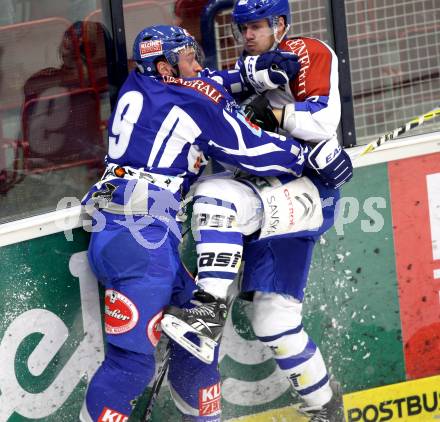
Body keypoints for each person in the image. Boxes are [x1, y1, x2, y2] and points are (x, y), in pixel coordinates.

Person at [79, 24, 311, 422]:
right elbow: (255, 151)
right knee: (130, 368)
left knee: (197, 335)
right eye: (186, 57)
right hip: (141, 239)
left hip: (127, 227)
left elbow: (206, 82)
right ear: (166, 65)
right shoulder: (189, 99)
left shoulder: (139, 82)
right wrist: (307, 154)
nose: (195, 64)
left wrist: (247, 75)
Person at [162, 1, 353, 421]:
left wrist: (279, 113)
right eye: (241, 28)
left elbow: (323, 120)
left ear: (280, 24)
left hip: (306, 193)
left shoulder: (307, 52)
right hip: (269, 198)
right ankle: (327, 408)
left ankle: (207, 312)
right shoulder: (247, 66)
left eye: (256, 27)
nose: (247, 35)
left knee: (215, 196)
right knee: (274, 320)